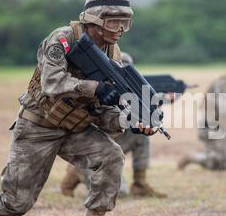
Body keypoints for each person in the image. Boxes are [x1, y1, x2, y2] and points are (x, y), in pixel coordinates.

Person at [0, 0, 155, 216]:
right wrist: (95, 87)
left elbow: (101, 111)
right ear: (94, 18)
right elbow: (52, 83)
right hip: (38, 126)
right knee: (15, 204)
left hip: (75, 128)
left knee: (112, 155)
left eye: (126, 22)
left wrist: (130, 121)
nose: (121, 28)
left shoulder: (113, 53)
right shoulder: (63, 39)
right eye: (114, 21)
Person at [60, 52, 167, 199]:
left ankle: (140, 185)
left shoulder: (132, 92)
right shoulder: (95, 89)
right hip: (92, 150)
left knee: (142, 136)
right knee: (118, 192)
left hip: (113, 145)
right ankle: (77, 170)